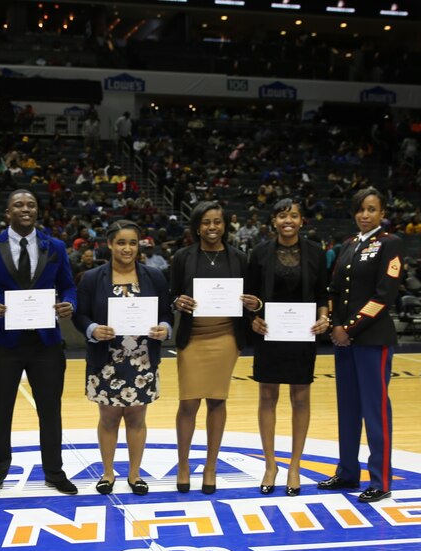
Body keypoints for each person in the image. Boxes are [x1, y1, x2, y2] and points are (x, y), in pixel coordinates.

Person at [0, 189, 78, 498]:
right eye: (18, 204)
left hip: (46, 343)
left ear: (37, 210)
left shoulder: (55, 246)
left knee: (50, 410)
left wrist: (68, 303)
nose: (25, 208)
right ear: (8, 212)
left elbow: (68, 286)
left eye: (31, 204)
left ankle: (54, 472)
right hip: (4, 342)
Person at [320, 187, 405, 504]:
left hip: (372, 338)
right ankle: (347, 472)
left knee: (375, 410)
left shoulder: (391, 244)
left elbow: (384, 295)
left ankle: (381, 480)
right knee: (349, 409)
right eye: (360, 209)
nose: (365, 215)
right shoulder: (348, 245)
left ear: (382, 212)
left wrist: (350, 329)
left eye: (371, 209)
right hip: (343, 340)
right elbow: (333, 289)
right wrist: (333, 325)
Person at [74, 219, 172, 495]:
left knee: (137, 418)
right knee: (108, 418)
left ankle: (134, 474)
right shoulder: (93, 278)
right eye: (121, 242)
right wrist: (93, 329)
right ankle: (107, 473)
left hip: (142, 358)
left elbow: (166, 314)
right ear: (109, 244)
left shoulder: (154, 276)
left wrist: (164, 329)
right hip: (106, 359)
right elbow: (80, 316)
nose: (127, 248)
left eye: (132, 242)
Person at [169, 201, 256, 495]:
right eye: (206, 222)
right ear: (197, 226)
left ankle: (210, 466)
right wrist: (177, 302)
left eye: (217, 222)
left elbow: (252, 295)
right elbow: (171, 295)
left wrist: (253, 304)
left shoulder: (240, 258)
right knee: (188, 402)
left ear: (225, 225)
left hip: (226, 336)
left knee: (218, 400)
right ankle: (183, 464)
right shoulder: (183, 256)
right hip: (193, 337)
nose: (212, 228)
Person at [245, 199, 330, 496]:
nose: (288, 220)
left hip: (303, 334)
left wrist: (323, 318)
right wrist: (252, 319)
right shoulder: (259, 253)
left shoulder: (317, 253)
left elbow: (322, 293)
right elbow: (249, 296)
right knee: (267, 395)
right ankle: (271, 464)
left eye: (293, 215)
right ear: (274, 221)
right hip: (270, 333)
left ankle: (294, 465)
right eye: (282, 215)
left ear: (302, 221)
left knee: (301, 396)